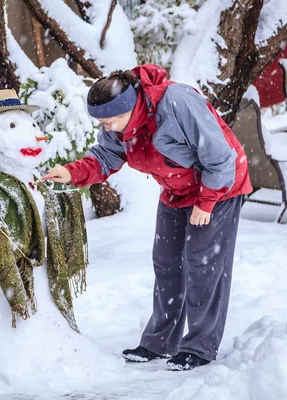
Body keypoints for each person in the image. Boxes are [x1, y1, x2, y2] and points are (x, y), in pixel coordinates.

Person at [42, 64, 252, 371]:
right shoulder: (120, 124)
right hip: (176, 190)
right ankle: (160, 342)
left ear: (129, 105)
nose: (107, 127)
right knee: (166, 261)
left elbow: (220, 157)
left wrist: (205, 204)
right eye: (101, 122)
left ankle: (199, 347)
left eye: (109, 120)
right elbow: (105, 156)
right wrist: (70, 172)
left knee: (203, 263)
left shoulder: (177, 104)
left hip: (219, 185)